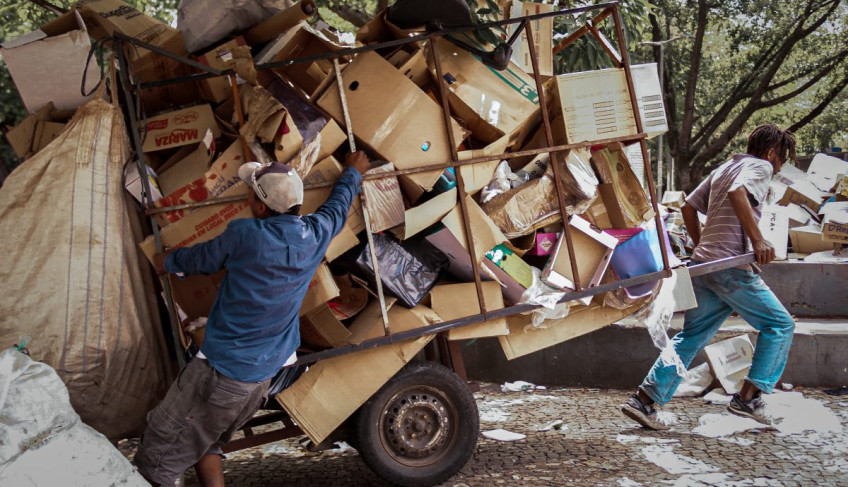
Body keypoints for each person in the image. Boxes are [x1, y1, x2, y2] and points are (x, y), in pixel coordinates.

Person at [135, 151, 370, 486]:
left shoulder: (246, 235)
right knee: (208, 441)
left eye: (251, 191)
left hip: (221, 375)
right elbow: (337, 206)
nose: (246, 195)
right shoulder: (314, 234)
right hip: (259, 381)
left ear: (260, 207)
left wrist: (167, 262)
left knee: (158, 457)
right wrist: (352, 174)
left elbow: (202, 258)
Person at [620, 124, 797, 430]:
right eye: (781, 160)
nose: (778, 167)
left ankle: (644, 401)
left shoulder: (726, 167)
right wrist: (757, 240)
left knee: (691, 336)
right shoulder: (760, 166)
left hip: (705, 266)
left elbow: (688, 206)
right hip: (730, 268)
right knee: (780, 325)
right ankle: (748, 399)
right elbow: (737, 193)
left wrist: (701, 243)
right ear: (771, 153)